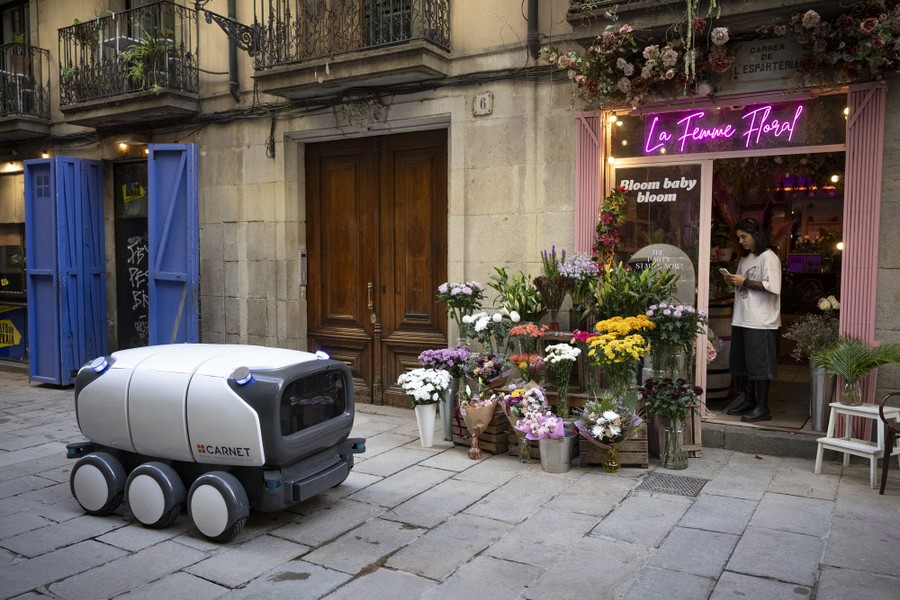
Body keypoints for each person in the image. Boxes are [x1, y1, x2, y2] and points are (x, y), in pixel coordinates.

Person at [722, 217, 781, 422]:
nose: (741, 241)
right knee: (745, 364)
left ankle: (763, 407)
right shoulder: (746, 258)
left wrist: (744, 281)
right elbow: (742, 283)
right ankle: (749, 401)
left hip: (761, 320)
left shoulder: (769, 257)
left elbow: (773, 287)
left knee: (760, 365)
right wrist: (733, 280)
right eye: (739, 237)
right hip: (743, 317)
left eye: (744, 237)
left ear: (756, 234)